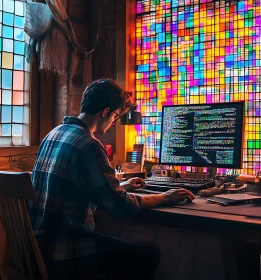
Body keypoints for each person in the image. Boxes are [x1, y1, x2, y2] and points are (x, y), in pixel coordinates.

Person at [28, 79, 195, 279]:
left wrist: (121, 186)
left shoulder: (54, 134)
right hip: (67, 252)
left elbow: (77, 187)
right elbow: (119, 206)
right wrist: (164, 198)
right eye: (116, 116)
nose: (113, 122)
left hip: (38, 250)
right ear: (106, 111)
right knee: (147, 254)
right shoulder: (89, 143)